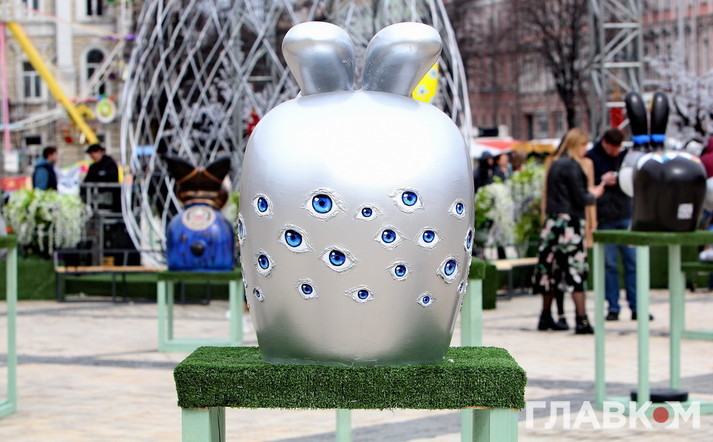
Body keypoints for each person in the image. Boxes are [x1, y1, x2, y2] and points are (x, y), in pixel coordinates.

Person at [533, 128, 604, 334]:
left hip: (552, 222)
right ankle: (582, 319)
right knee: (575, 270)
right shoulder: (573, 166)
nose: (585, 150)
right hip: (570, 224)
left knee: (550, 270)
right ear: (576, 145)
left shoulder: (554, 164)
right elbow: (581, 198)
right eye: (583, 145)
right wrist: (595, 193)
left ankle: (545, 316)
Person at [586, 128, 644, 321]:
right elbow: (587, 183)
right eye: (613, 148)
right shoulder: (592, 157)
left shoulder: (625, 156)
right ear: (605, 143)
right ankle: (613, 306)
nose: (616, 152)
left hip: (625, 212)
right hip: (605, 217)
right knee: (609, 265)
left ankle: (637, 306)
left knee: (632, 263)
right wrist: (601, 180)